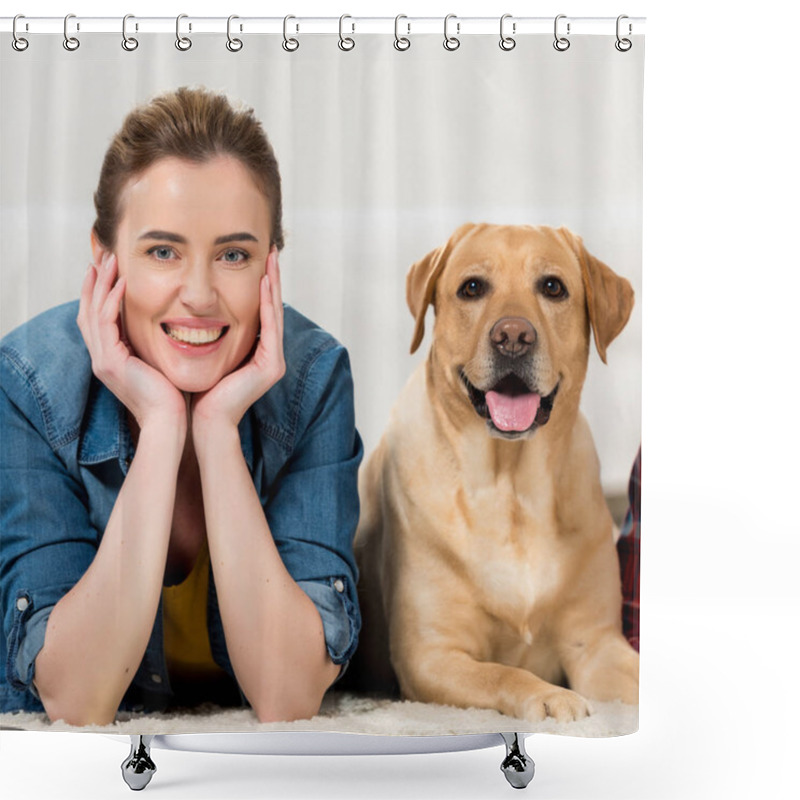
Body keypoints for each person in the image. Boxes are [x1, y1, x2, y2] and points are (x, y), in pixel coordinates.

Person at [0, 87, 362, 725]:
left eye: (233, 255)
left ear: (270, 267)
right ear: (104, 256)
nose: (199, 294)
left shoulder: (313, 379)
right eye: (162, 251)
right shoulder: (28, 385)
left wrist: (217, 429)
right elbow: (75, 702)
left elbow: (289, 695)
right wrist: (164, 426)